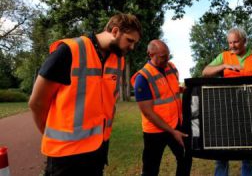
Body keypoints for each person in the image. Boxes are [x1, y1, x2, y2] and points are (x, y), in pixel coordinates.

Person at [29, 13, 142, 176]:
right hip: (66, 156)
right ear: (115, 31)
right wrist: (50, 135)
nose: (131, 47)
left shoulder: (118, 61)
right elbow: (37, 103)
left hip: (98, 152)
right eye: (130, 41)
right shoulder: (69, 51)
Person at [131, 39, 191, 176]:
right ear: (150, 54)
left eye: (168, 55)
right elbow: (148, 113)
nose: (167, 59)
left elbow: (169, 89)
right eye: (163, 57)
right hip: (155, 131)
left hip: (176, 124)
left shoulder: (171, 67)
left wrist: (182, 89)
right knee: (150, 169)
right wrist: (172, 131)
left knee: (185, 158)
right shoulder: (143, 78)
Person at [202, 27, 252, 176]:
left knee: (249, 154)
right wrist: (224, 66)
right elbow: (205, 72)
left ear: (244, 41)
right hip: (227, 112)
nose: (232, 46)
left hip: (249, 112)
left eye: (236, 42)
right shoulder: (224, 56)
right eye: (230, 43)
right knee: (222, 154)